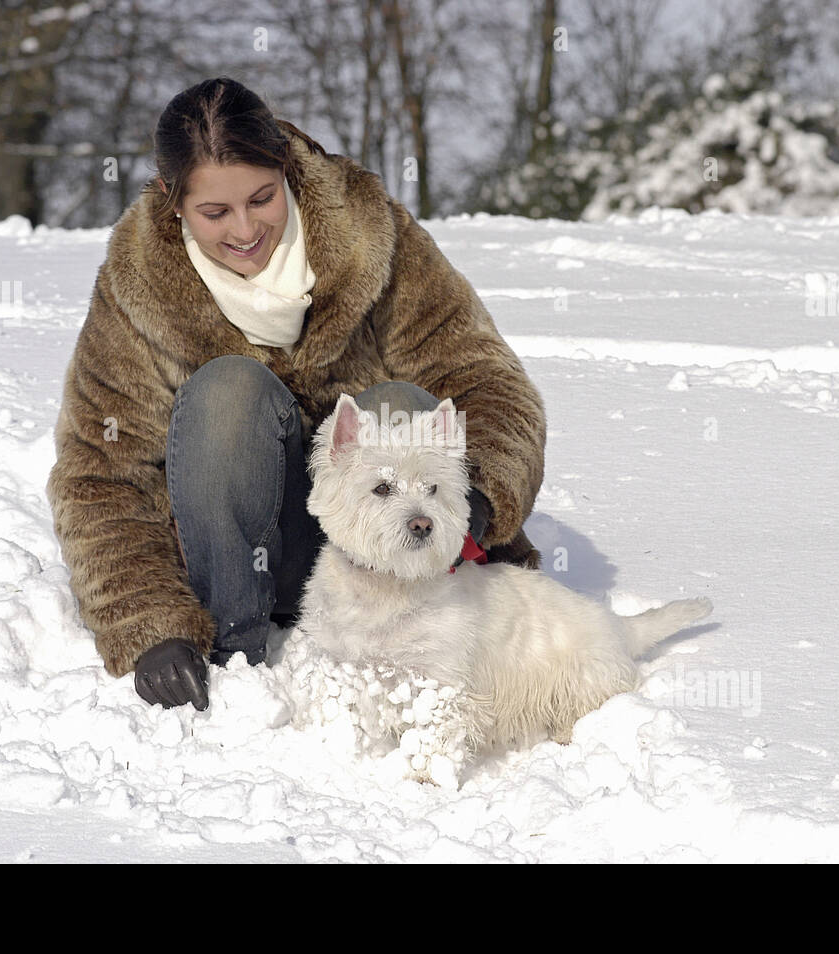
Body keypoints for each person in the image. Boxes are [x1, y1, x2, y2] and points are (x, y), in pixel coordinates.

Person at [46, 77, 547, 710]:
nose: (246, 229)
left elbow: (487, 378)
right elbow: (99, 472)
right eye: (215, 213)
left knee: (400, 410)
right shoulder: (137, 286)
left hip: (380, 550)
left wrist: (478, 492)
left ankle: (428, 637)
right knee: (229, 391)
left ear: (285, 169)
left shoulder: (370, 235)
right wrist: (150, 628)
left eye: (262, 198)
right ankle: (239, 650)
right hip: (237, 555)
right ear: (174, 203)